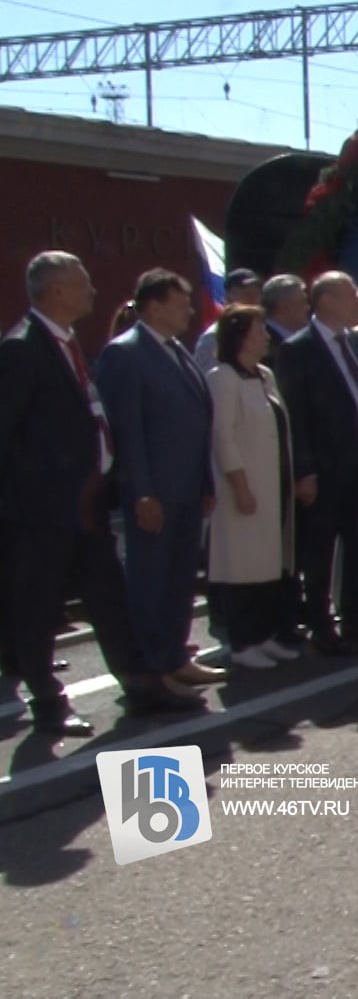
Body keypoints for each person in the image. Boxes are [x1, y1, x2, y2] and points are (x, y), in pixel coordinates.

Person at [0, 252, 202, 734]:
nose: (94, 290)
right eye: (83, 282)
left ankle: (141, 686)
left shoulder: (68, 343)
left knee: (109, 598)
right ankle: (48, 703)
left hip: (86, 506)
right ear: (57, 291)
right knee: (38, 607)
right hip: (43, 510)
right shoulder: (22, 348)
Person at [95, 268, 225, 693]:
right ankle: (154, 666)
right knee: (151, 578)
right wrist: (142, 492)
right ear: (153, 305)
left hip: (187, 488)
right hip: (155, 492)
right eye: (180, 301)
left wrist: (206, 481)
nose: (189, 309)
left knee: (179, 577)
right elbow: (128, 430)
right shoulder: (125, 353)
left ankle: (174, 654)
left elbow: (198, 422)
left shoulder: (178, 351)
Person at [276, 271, 358, 651]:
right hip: (326, 466)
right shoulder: (299, 349)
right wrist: (304, 470)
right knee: (321, 546)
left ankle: (355, 617)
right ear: (325, 300)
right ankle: (321, 624)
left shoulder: (356, 344)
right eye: (349, 292)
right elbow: (296, 416)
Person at [207, 305, 302, 669]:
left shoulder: (264, 375)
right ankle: (243, 641)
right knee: (242, 567)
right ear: (240, 335)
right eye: (259, 329)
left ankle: (263, 635)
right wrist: (240, 484)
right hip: (242, 488)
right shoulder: (223, 377)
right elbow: (222, 436)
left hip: (273, 484)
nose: (266, 336)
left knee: (268, 564)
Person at [194, 268, 263, 370]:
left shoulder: (260, 334)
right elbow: (207, 379)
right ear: (229, 296)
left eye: (256, 293)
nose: (253, 298)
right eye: (246, 293)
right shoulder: (214, 337)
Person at [259, 273, 309, 366]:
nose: (307, 308)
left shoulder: (305, 340)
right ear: (284, 306)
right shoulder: (262, 341)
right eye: (303, 302)